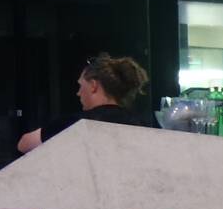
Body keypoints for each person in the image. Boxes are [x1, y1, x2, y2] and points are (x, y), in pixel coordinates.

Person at [16, 54, 157, 154]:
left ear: (93, 86)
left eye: (80, 86)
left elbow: (24, 144)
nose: (78, 93)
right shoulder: (139, 125)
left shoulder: (77, 124)